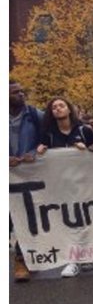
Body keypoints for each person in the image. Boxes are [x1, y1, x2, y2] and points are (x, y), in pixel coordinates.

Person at [36, 96, 93, 277]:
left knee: (84, 218)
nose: (57, 109)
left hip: (82, 183)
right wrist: (40, 151)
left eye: (61, 105)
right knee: (68, 219)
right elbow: (41, 158)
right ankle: (73, 259)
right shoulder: (48, 134)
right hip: (60, 185)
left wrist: (88, 149)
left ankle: (83, 255)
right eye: (54, 107)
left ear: (69, 109)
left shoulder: (84, 130)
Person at [9, 80, 43, 282]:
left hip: (27, 175)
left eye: (22, 91)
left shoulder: (34, 115)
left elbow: (46, 138)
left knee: (25, 216)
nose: (21, 95)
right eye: (15, 92)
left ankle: (22, 259)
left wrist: (34, 152)